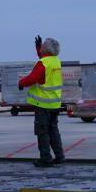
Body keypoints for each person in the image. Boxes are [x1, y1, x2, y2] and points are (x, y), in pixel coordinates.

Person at [18, 35, 65, 168]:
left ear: (47, 49)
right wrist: (38, 48)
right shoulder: (56, 61)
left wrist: (21, 82)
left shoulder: (43, 64)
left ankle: (45, 159)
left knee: (42, 132)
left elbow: (33, 78)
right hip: (55, 103)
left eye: (43, 45)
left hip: (43, 104)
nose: (42, 46)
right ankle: (59, 156)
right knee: (53, 130)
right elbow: (45, 59)